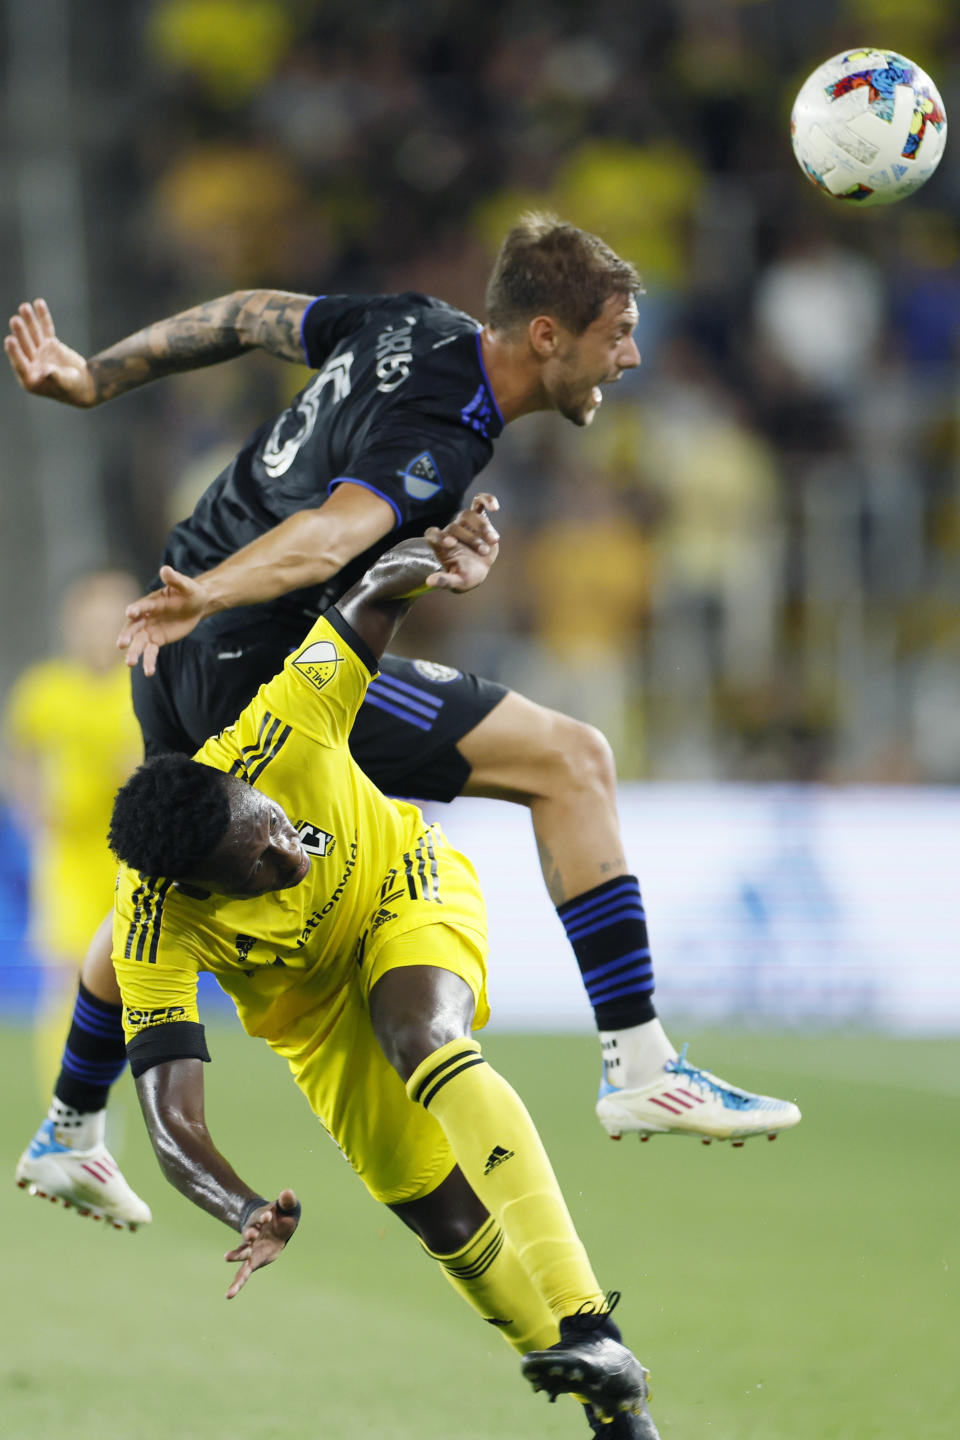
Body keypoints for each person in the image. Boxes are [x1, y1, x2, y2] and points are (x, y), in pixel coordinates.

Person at [6, 213, 800, 1228]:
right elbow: (329, 532)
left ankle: (72, 1122)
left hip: (184, 652)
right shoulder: (450, 425)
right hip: (251, 654)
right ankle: (639, 1060)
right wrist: (212, 594)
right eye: (617, 333)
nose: (632, 356)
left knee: (162, 888)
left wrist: (95, 379)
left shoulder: (410, 322)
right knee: (570, 760)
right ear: (547, 335)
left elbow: (246, 316)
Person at [106, 498, 660, 1439]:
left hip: (405, 886)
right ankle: (614, 1406)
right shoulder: (153, 930)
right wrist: (241, 1205)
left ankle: (589, 1322)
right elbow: (171, 1121)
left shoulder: (285, 721)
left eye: (276, 829)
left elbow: (369, 596)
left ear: (243, 784)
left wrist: (436, 553)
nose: (292, 854)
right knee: (442, 1219)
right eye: (265, 868)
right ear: (201, 890)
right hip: (312, 1019)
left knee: (423, 1036)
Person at [3, 573, 146, 1204]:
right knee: (68, 979)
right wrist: (31, 804)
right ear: (72, 625)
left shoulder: (139, 688)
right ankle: (67, 1118)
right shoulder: (45, 692)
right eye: (90, 619)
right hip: (68, 857)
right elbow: (19, 751)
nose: (99, 632)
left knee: (131, 980)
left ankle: (106, 1105)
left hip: (130, 859)